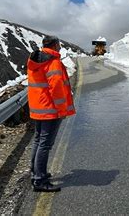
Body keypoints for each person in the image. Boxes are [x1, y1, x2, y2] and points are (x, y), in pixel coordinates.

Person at [27, 35, 76, 192]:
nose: (60, 47)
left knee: (38, 141)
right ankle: (40, 180)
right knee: (45, 144)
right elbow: (56, 87)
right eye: (59, 45)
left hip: (38, 108)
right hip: (50, 110)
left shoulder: (36, 59)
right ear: (54, 45)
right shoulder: (52, 61)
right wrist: (62, 110)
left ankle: (36, 172)